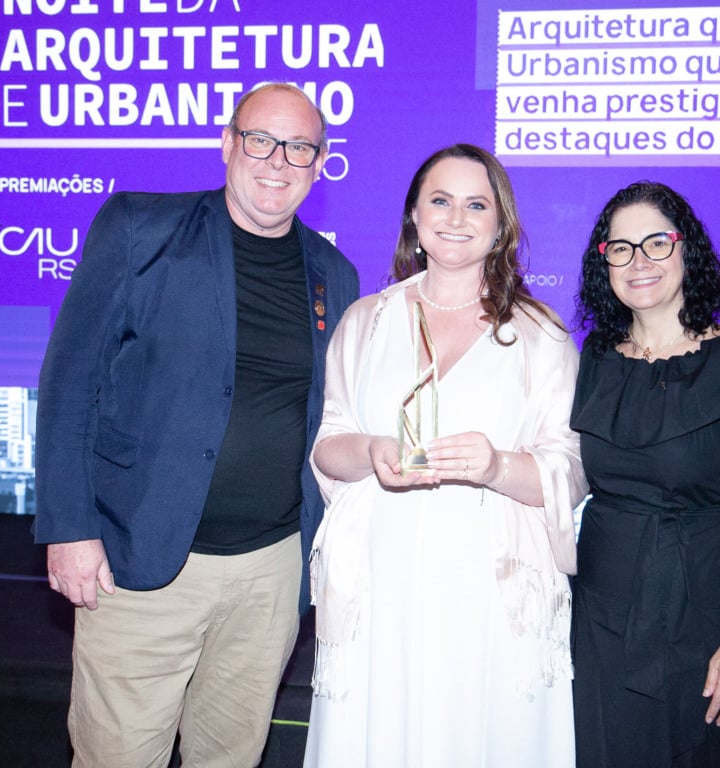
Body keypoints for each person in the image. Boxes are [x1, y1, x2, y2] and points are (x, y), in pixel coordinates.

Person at [33, 82, 359, 767]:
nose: (277, 161)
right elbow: (69, 384)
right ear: (227, 142)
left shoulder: (335, 275)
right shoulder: (139, 229)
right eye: (260, 139)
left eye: (299, 148)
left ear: (321, 162)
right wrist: (68, 528)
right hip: (137, 562)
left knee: (230, 758)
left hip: (270, 575)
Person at [303, 144, 585, 768]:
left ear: (501, 224)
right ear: (414, 216)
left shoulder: (541, 335)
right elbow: (328, 446)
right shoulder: (365, 322)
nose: (457, 217)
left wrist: (497, 467)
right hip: (384, 585)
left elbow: (570, 468)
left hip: (491, 592)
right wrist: (376, 451)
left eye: (476, 204)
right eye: (441, 200)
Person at [569, 181, 720, 767]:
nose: (640, 261)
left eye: (656, 242)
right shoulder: (596, 359)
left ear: (687, 249)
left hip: (706, 612)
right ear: (605, 264)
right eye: (620, 248)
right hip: (602, 617)